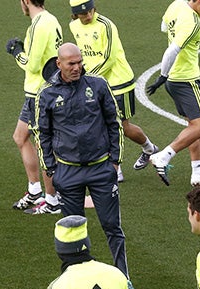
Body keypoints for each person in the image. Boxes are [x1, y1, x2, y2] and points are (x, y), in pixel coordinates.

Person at [35, 43, 140, 289]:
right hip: (68, 173)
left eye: (79, 62)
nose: (77, 67)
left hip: (100, 169)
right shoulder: (46, 94)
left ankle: (124, 278)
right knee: (72, 230)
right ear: (58, 64)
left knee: (112, 226)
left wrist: (115, 161)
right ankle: (74, 283)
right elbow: (42, 133)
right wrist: (50, 168)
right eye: (71, 63)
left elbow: (113, 122)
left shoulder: (98, 85)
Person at [68, 0, 159, 178]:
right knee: (99, 125)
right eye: (83, 14)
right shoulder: (74, 26)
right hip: (95, 83)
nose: (88, 16)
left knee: (121, 127)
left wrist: (86, 77)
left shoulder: (106, 25)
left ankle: (145, 150)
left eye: (90, 11)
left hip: (118, 83)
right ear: (75, 14)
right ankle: (122, 165)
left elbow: (109, 58)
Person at [145, 0, 200, 187]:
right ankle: (163, 157)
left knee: (192, 124)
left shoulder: (177, 4)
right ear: (199, 1)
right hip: (185, 80)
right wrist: (162, 76)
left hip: (175, 79)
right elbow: (172, 50)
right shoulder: (192, 22)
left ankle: (198, 172)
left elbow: (164, 26)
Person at [6, 0, 62, 214]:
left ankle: (52, 201)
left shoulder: (40, 24)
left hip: (40, 95)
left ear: (26, 1)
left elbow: (33, 64)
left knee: (44, 147)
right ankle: (34, 190)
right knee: (20, 137)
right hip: (37, 93)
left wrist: (16, 52)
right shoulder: (51, 20)